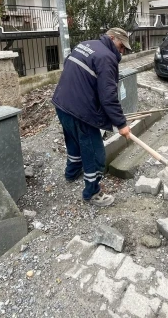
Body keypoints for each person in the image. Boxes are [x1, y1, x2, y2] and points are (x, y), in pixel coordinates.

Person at [52, 28, 132, 207]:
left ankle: (71, 173)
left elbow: (75, 72)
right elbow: (108, 96)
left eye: (124, 49)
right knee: (95, 153)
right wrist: (121, 124)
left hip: (62, 103)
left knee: (74, 142)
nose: (121, 51)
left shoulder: (85, 45)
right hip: (80, 111)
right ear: (111, 38)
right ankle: (93, 193)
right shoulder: (106, 58)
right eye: (121, 45)